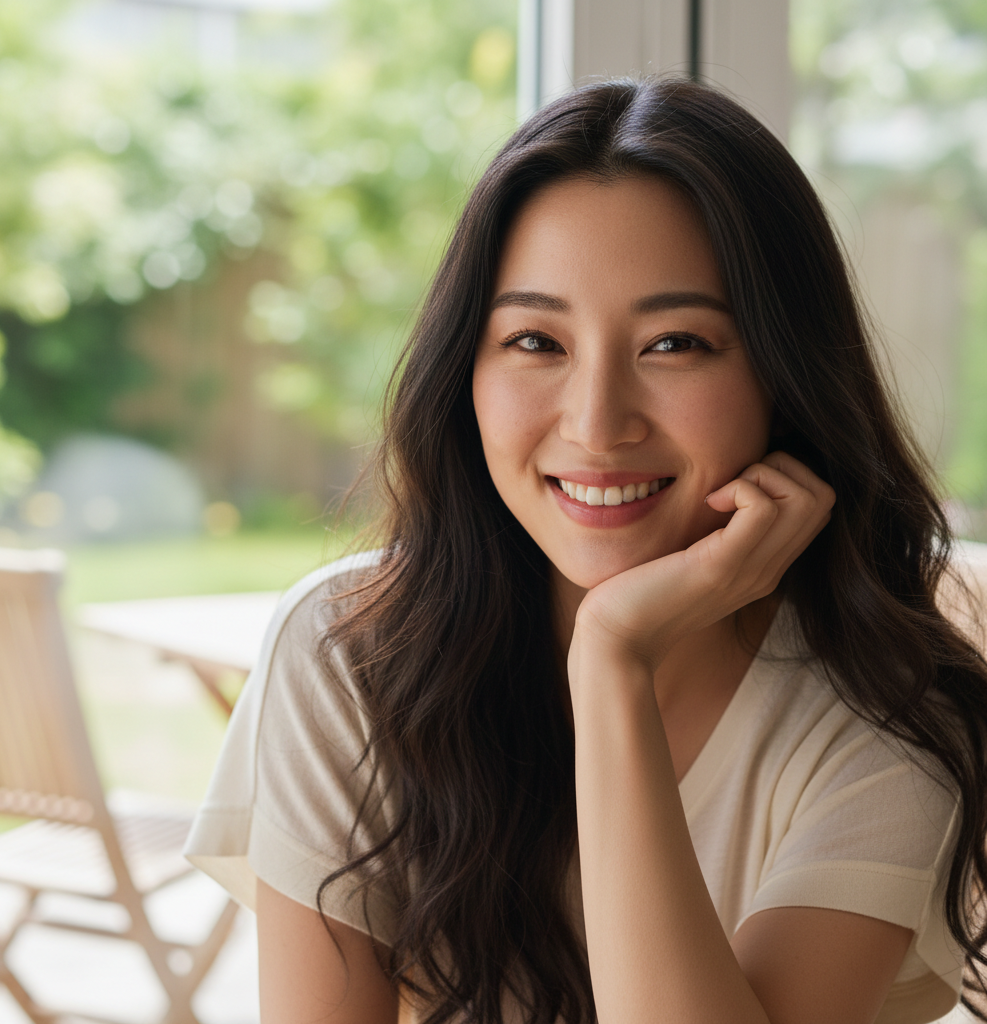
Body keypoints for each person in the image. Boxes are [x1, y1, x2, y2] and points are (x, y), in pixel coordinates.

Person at [185, 77, 987, 1024]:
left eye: (677, 343)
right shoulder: (352, 651)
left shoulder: (884, 726)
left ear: (786, 372)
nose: (598, 423)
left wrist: (611, 659)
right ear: (465, 373)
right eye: (535, 340)